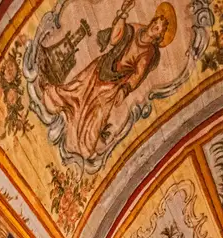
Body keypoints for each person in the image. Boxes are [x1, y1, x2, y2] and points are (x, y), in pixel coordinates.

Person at [39, 1, 177, 164]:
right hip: (102, 65)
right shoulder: (136, 28)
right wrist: (123, 14)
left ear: (158, 37)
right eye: (156, 23)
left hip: (114, 83)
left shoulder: (148, 53)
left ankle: (85, 145)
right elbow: (115, 38)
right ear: (152, 21)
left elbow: (138, 75)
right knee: (77, 89)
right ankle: (55, 100)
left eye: (159, 29)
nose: (155, 27)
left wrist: (124, 90)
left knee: (98, 114)